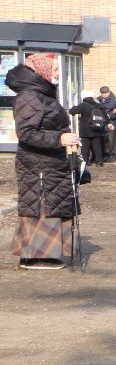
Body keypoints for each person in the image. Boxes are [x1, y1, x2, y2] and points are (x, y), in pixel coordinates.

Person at [6, 53, 81, 269]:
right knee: (42, 206)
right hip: (38, 164)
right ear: (41, 70)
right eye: (55, 69)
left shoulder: (41, 93)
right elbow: (27, 133)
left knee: (53, 204)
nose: (58, 73)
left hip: (51, 163)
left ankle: (47, 253)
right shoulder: (30, 96)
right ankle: (37, 255)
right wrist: (59, 138)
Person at [69, 95, 112, 165]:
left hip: (86, 130)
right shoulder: (98, 105)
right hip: (97, 129)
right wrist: (108, 123)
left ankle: (85, 162)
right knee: (97, 146)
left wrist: (74, 107)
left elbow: (72, 111)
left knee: (85, 147)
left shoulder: (83, 105)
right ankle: (99, 162)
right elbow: (105, 117)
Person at [95, 86, 116, 157]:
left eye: (105, 93)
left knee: (111, 140)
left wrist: (109, 115)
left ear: (109, 92)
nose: (103, 94)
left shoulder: (114, 101)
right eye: (102, 93)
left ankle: (111, 155)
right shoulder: (97, 100)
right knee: (102, 140)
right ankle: (103, 154)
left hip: (111, 123)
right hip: (100, 123)